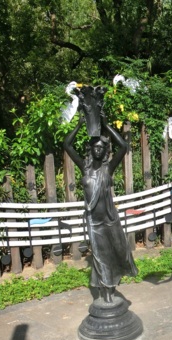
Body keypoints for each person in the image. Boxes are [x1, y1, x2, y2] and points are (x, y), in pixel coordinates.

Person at [63, 112, 138, 303]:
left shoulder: (108, 169)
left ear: (105, 151)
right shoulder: (84, 168)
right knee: (100, 257)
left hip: (110, 220)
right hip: (94, 222)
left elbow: (123, 146)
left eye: (101, 148)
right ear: (90, 149)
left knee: (117, 253)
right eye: (95, 147)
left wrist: (106, 125)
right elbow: (67, 145)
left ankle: (112, 286)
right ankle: (106, 292)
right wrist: (79, 125)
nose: (98, 150)